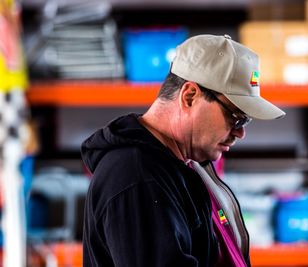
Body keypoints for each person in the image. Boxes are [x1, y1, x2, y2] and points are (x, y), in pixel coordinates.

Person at [81, 34, 285, 267]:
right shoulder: (138, 178)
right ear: (189, 96)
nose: (240, 133)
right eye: (236, 118)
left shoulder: (181, 166)